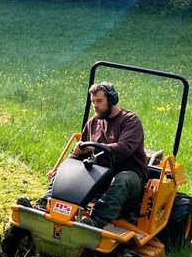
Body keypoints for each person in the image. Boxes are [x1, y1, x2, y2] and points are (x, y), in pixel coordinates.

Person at [18, 82, 148, 229]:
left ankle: (96, 221)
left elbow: (124, 148)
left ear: (111, 100)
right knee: (69, 168)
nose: (95, 105)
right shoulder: (93, 123)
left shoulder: (130, 120)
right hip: (100, 172)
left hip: (131, 175)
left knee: (122, 179)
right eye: (93, 102)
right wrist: (61, 169)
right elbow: (77, 154)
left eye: (99, 101)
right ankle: (43, 204)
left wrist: (93, 146)